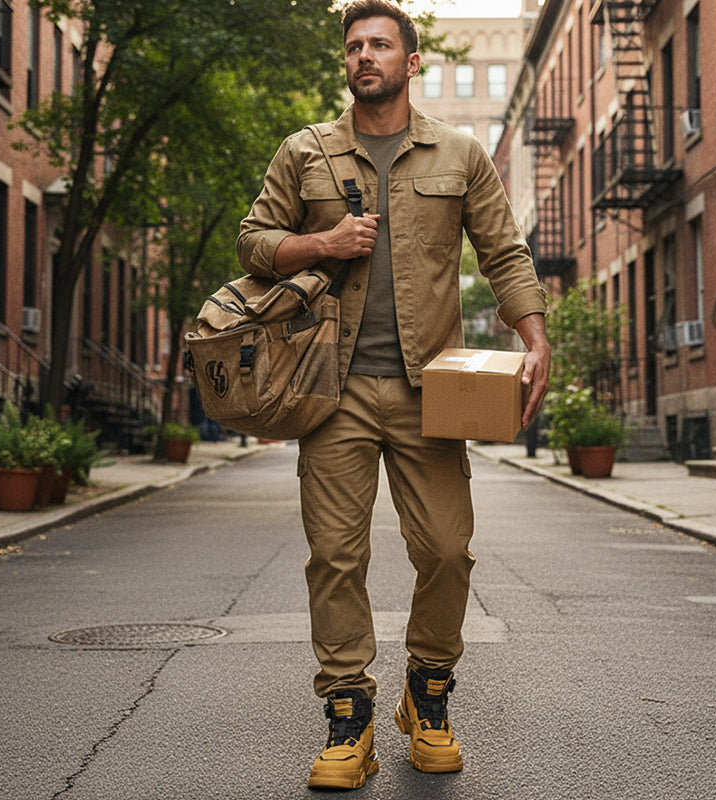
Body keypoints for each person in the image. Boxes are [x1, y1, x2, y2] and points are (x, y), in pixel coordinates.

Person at [236, 0, 550, 789]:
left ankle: (428, 693)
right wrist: (322, 243)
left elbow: (503, 249)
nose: (364, 55)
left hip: (429, 390)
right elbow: (254, 241)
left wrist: (535, 335)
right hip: (328, 390)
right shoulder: (305, 152)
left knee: (446, 548)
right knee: (335, 556)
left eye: (380, 44)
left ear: (412, 62)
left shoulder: (460, 153)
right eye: (354, 46)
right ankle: (349, 718)